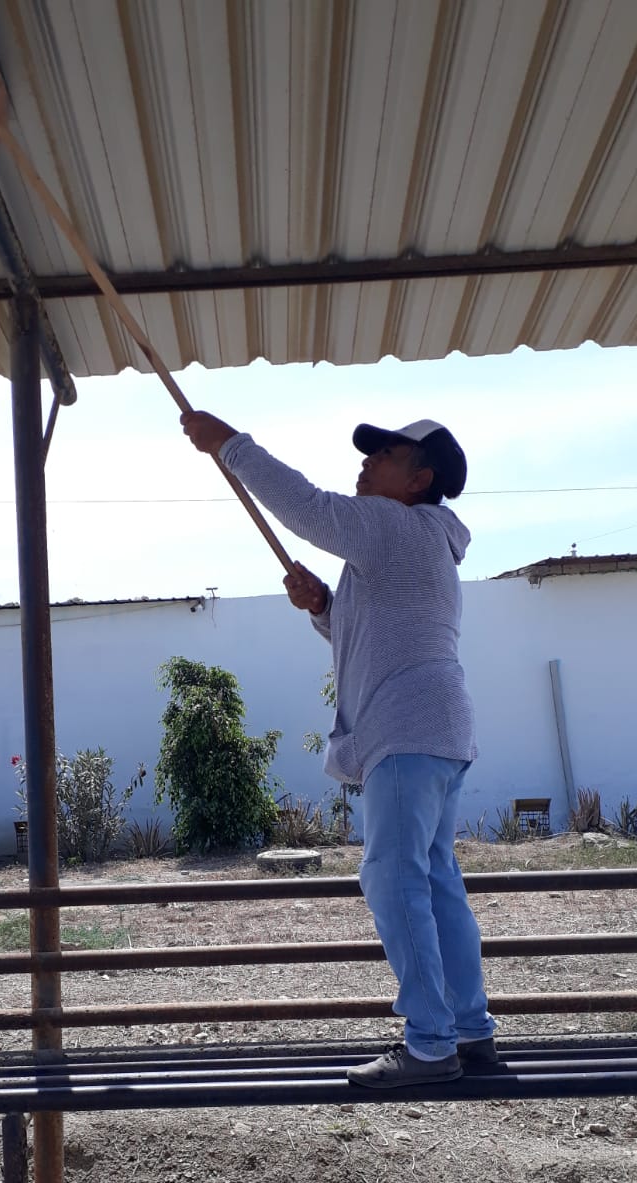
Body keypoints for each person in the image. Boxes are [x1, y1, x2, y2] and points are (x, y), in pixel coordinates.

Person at [181, 407, 498, 1090]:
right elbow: (375, 633)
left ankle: (431, 1045)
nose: (367, 461)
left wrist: (229, 445)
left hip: (406, 731)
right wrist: (324, 605)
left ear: (419, 480)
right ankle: (470, 1031)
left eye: (385, 454)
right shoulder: (420, 541)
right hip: (437, 729)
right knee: (434, 879)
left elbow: (306, 507)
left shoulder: (393, 526)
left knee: (394, 877)